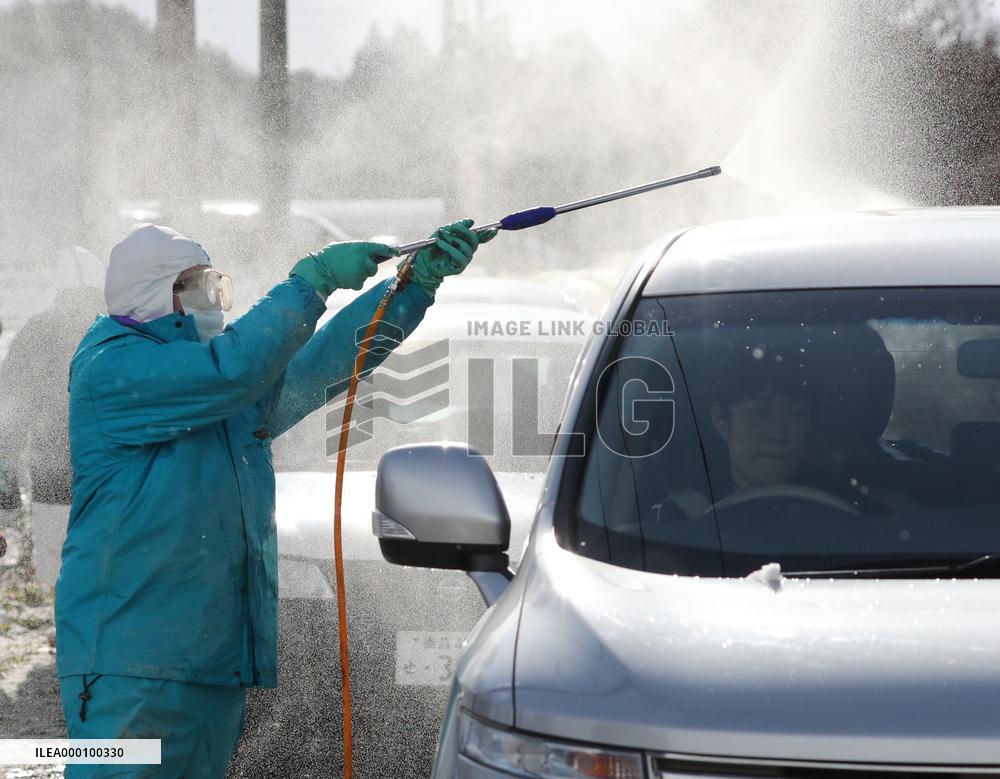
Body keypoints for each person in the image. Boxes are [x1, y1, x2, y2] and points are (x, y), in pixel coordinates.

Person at [54, 219, 493, 777]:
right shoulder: (113, 367)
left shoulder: (216, 383)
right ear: (156, 294)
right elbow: (235, 367)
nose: (214, 301)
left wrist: (410, 288)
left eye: (216, 285)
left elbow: (318, 368)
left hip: (210, 659)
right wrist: (308, 286)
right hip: (129, 662)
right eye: (198, 286)